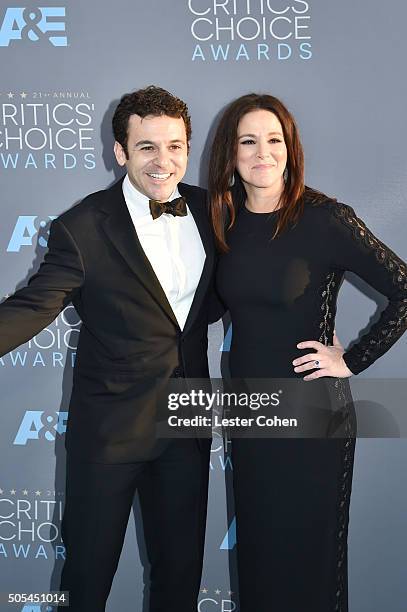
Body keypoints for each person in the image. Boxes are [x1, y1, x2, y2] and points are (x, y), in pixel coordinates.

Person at [0, 86, 215, 611]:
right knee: (86, 584)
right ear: (120, 152)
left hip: (186, 430)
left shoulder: (213, 212)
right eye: (147, 147)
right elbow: (30, 308)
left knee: (179, 583)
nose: (163, 162)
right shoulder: (82, 228)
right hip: (109, 438)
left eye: (176, 147)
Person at [208, 93, 407, 611]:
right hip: (252, 414)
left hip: (315, 416)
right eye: (248, 141)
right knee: (259, 560)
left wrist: (352, 359)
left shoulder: (325, 219)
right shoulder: (222, 222)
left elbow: (404, 287)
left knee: (312, 565)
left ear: (291, 149)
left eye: (274, 140)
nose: (262, 152)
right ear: (230, 153)